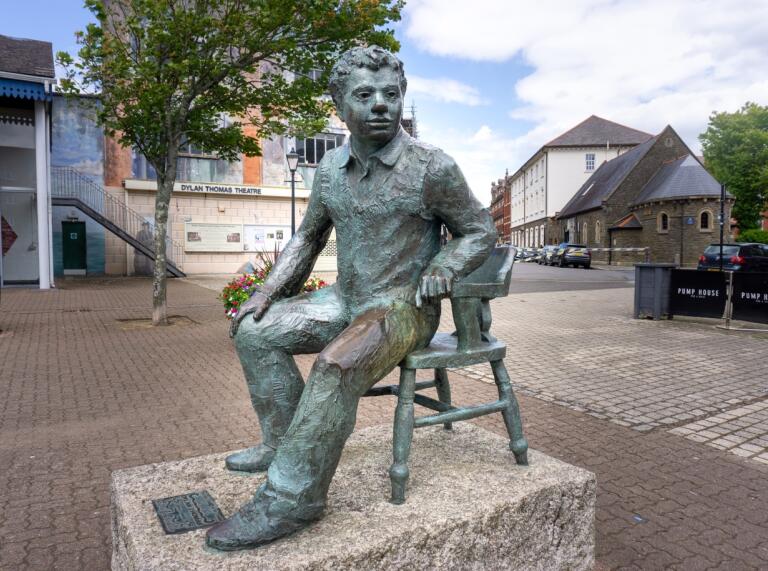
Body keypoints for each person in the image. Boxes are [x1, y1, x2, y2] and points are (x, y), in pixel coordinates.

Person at [206, 45, 496, 551]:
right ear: (340, 104)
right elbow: (306, 239)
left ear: (402, 98)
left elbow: (478, 231)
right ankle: (284, 445)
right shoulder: (329, 171)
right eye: (365, 95)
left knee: (336, 365)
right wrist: (269, 292)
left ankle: (294, 497)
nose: (381, 104)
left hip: (403, 308)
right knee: (253, 330)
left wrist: (443, 266)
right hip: (343, 299)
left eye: (391, 94)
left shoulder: (432, 166)